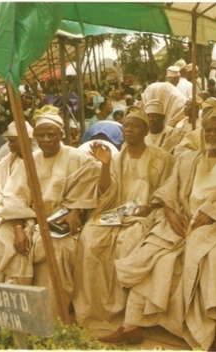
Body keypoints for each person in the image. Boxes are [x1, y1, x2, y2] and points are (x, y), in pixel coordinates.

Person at [101, 108, 216, 350]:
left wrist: (213, 214)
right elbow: (168, 191)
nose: (212, 135)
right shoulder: (189, 160)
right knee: (155, 254)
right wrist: (170, 212)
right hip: (182, 223)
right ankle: (132, 324)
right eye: (208, 130)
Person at [0, 113, 100, 317]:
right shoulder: (30, 161)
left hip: (61, 221)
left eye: (51, 134)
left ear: (61, 134)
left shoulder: (79, 159)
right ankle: (11, 310)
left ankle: (51, 313)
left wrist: (76, 211)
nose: (46, 140)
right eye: (41, 136)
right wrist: (18, 229)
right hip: (25, 219)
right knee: (1, 242)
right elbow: (13, 196)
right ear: (35, 137)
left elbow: (87, 187)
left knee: (59, 249)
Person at [72, 106, 175, 330]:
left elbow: (169, 191)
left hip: (148, 215)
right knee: (89, 238)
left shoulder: (163, 158)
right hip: (119, 212)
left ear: (146, 130)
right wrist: (106, 166)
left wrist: (150, 206)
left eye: (135, 126)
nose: (129, 130)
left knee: (127, 243)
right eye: (126, 126)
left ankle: (129, 316)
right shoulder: (117, 158)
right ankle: (95, 311)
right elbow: (107, 194)